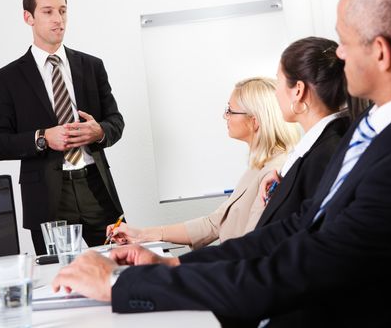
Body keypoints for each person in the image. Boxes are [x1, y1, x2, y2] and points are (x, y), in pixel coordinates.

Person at [52, 0, 391, 326]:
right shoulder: (369, 127)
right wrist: (172, 262)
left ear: (380, 52)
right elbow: (299, 227)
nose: (338, 56)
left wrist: (125, 286)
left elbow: (301, 267)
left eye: (343, 41)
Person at [0, 0, 124, 254]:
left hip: (96, 188)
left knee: (118, 268)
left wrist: (100, 132)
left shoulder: (92, 66)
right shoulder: (9, 78)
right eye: (48, 11)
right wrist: (42, 138)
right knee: (61, 282)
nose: (58, 19)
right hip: (47, 198)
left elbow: (115, 121)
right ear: (29, 18)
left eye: (62, 10)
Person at [108, 77, 301, 249]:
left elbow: (251, 246)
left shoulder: (274, 172)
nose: (225, 116)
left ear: (254, 121)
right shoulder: (259, 165)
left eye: (230, 111)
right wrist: (141, 234)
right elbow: (214, 223)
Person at [256, 36, 367, 228]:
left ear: (298, 90)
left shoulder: (327, 153)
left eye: (278, 81)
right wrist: (283, 187)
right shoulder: (322, 145)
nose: (275, 92)